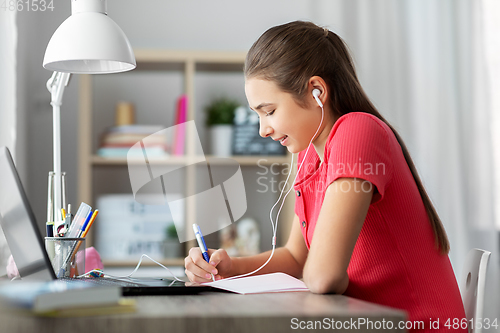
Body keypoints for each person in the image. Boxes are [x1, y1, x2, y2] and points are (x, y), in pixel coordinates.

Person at [184, 21, 466, 331]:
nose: (263, 129)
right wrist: (229, 268)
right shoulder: (309, 154)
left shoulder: (357, 131)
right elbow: (297, 258)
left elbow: (322, 277)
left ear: (317, 91)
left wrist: (326, 278)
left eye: (270, 111)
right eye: (257, 115)